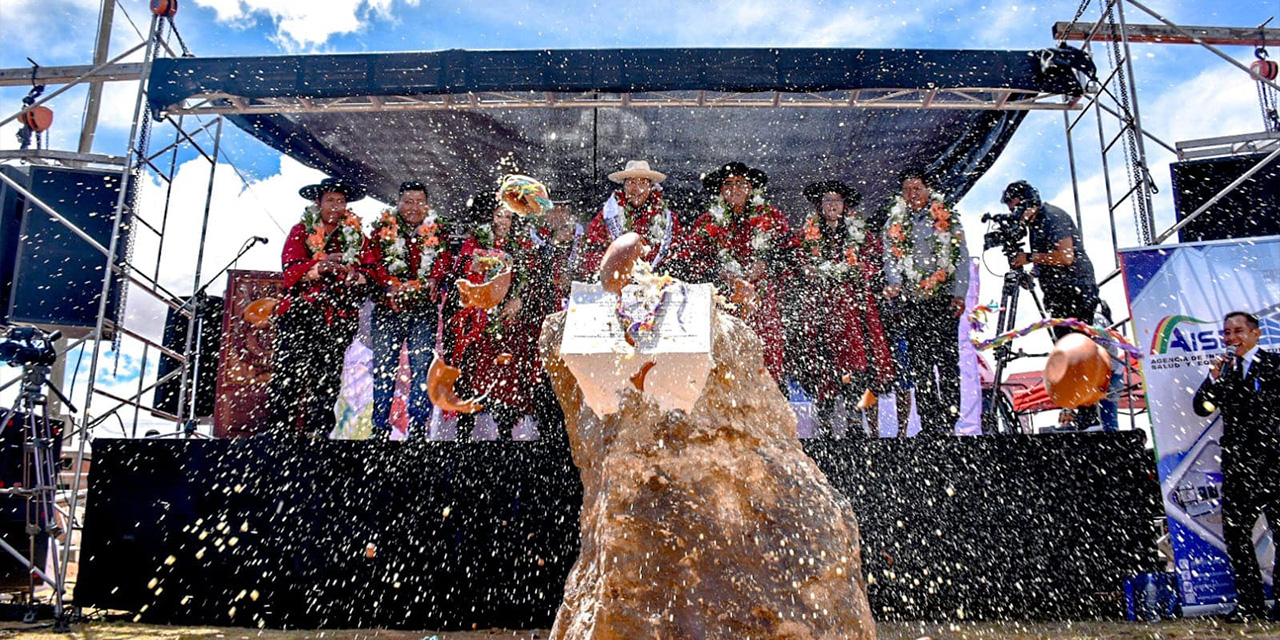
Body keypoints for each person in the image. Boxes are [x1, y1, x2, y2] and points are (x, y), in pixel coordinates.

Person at [264, 177, 370, 437]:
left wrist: (351, 273)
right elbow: (290, 270)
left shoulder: (357, 236)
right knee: (288, 373)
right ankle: (278, 433)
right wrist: (322, 265)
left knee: (328, 377)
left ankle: (320, 434)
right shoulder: (301, 230)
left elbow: (370, 270)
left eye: (341, 201)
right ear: (318, 203)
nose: (336, 206)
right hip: (301, 312)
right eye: (330, 200)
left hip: (339, 315)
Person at [1192, 311, 1280, 622]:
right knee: (1238, 537)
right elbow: (1203, 408)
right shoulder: (1224, 371)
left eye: (1238, 331)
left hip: (1274, 464)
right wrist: (1213, 379)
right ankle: (1250, 604)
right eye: (1227, 333)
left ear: (1256, 334)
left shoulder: (1274, 364)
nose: (1232, 338)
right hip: (1239, 468)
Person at [794, 180, 895, 438]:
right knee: (823, 362)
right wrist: (806, 269)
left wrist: (863, 269)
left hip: (853, 306)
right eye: (827, 201)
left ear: (844, 205)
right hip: (821, 305)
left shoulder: (858, 230)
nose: (831, 206)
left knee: (856, 362)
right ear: (820, 205)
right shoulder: (808, 232)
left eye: (836, 201)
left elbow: (875, 258)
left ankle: (853, 418)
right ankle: (826, 421)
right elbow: (797, 258)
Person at [1003, 180, 1101, 428]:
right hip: (1058, 293)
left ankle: (1088, 412)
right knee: (1065, 351)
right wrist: (1033, 274)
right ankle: (1080, 409)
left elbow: (1066, 257)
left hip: (1075, 290)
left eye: (1017, 208)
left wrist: (1029, 258)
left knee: (1076, 351)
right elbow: (1047, 259)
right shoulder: (1035, 224)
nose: (1017, 215)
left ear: (1029, 200)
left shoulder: (1052, 216)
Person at [685, 162, 793, 382]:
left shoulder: (771, 216)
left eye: (741, 183)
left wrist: (766, 263)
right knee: (726, 359)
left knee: (765, 355)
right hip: (724, 301)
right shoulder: (707, 221)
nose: (735, 189)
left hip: (761, 299)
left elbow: (790, 252)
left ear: (751, 188)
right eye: (728, 184)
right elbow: (692, 260)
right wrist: (720, 272)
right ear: (721, 190)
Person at [882, 167, 970, 437]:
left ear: (928, 189)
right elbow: (891, 259)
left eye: (917, 188)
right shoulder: (893, 221)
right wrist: (894, 282)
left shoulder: (948, 217)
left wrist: (959, 293)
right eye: (907, 189)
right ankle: (930, 424)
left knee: (946, 363)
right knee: (920, 365)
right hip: (913, 302)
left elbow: (961, 257)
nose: (912, 194)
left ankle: (951, 420)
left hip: (943, 299)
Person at [364, 180, 453, 439]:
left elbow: (444, 259)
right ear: (398, 203)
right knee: (383, 369)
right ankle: (378, 429)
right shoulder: (382, 229)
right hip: (387, 310)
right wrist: (389, 284)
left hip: (422, 312)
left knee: (422, 369)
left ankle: (417, 429)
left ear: (427, 206)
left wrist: (434, 278)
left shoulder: (438, 231)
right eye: (408, 201)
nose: (414, 207)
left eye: (419, 202)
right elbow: (372, 262)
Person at [580, 160, 681, 278]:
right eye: (631, 182)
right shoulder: (607, 216)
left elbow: (678, 254)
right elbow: (591, 254)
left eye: (643, 183)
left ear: (650, 187)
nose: (637, 189)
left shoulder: (668, 218)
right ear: (624, 186)